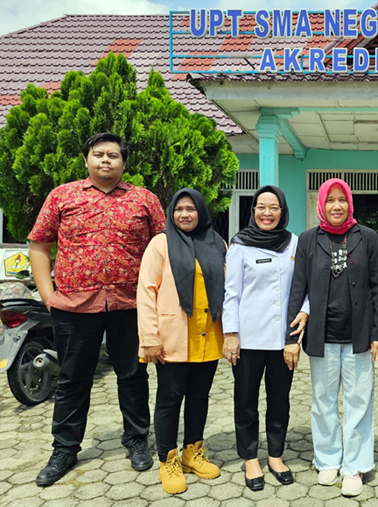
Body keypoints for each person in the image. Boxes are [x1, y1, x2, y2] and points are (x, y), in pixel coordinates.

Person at [28, 132, 166, 487]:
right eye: (99, 154)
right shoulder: (62, 196)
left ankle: (136, 439)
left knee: (132, 376)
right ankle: (64, 448)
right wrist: (48, 296)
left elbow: (164, 249)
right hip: (73, 307)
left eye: (113, 155)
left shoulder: (144, 200)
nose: (106, 160)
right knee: (73, 379)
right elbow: (39, 245)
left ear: (124, 162)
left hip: (130, 305)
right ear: (86, 159)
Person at [287, 178, 378, 498]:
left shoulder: (366, 237)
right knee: (323, 402)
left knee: (358, 402)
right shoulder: (308, 239)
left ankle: (354, 465)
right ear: (321, 204)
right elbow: (298, 287)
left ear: (349, 203)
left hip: (359, 336)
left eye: (341, 199)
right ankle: (328, 459)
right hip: (322, 335)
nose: (336, 206)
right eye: (329, 200)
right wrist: (290, 337)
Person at [137, 188, 226, 494]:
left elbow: (228, 289)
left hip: (208, 336)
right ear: (171, 213)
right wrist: (149, 338)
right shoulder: (160, 244)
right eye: (179, 209)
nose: (185, 214)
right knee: (169, 399)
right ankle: (168, 459)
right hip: (172, 339)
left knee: (200, 397)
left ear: (201, 212)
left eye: (191, 209)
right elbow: (146, 291)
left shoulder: (217, 243)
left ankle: (192, 452)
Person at [222, 186, 308, 491]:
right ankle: (250, 457)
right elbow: (231, 293)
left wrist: (305, 312)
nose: (267, 213)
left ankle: (275, 455)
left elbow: (304, 286)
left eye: (274, 207)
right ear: (253, 210)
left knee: (279, 399)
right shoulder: (240, 245)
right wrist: (230, 333)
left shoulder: (294, 243)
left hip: (284, 339)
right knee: (246, 400)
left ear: (283, 211)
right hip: (248, 339)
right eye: (261, 207)